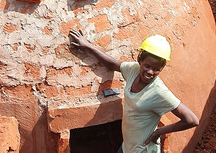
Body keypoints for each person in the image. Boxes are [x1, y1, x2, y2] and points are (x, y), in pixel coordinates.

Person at [69, 31, 199, 152]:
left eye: (156, 69)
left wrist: (159, 132)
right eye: (147, 66)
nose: (150, 72)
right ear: (140, 60)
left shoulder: (159, 92)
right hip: (127, 147)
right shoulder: (133, 70)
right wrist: (87, 47)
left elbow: (192, 120)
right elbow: (112, 64)